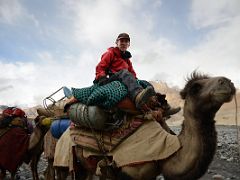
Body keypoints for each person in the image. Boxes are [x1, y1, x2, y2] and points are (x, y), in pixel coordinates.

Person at [93, 33, 180, 115]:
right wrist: (101, 77)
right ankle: (137, 96)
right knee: (124, 72)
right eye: (121, 41)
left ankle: (162, 106)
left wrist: (137, 81)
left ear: (128, 45)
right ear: (117, 42)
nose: (123, 43)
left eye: (126, 41)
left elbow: (132, 74)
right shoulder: (110, 53)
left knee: (145, 83)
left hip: (124, 77)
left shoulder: (127, 60)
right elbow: (100, 67)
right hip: (112, 79)